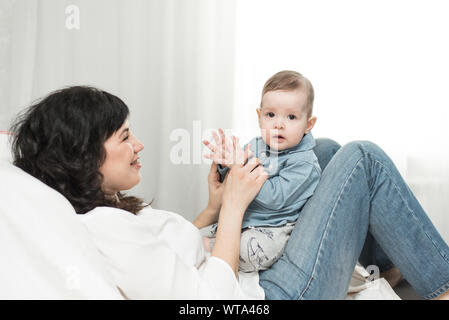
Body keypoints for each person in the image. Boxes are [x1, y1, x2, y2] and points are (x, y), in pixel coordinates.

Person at [8, 86, 449, 299]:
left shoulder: (113, 215)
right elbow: (206, 303)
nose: (138, 145)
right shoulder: (107, 229)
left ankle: (389, 268)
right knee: (362, 158)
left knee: (326, 153)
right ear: (85, 156)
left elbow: (176, 250)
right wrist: (235, 209)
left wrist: (213, 205)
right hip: (268, 296)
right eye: (124, 137)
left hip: (253, 276)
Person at [201, 71, 321, 273]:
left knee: (250, 252)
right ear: (259, 117)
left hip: (274, 228)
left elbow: (276, 198)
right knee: (194, 236)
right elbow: (233, 181)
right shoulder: (257, 145)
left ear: (308, 124)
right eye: (270, 115)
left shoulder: (305, 164)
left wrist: (239, 165)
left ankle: (214, 252)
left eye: (291, 117)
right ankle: (210, 247)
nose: (278, 124)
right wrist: (225, 163)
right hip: (244, 220)